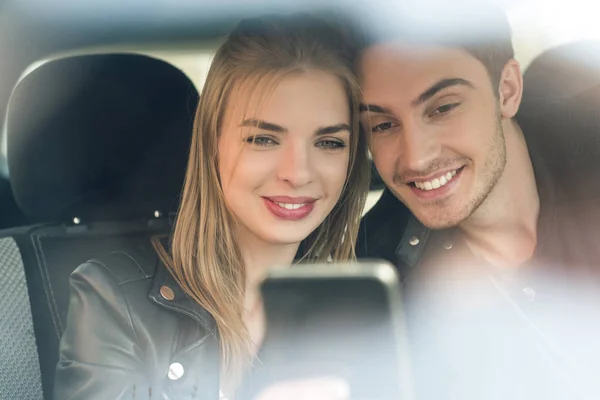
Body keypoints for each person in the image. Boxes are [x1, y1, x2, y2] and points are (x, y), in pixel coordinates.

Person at [53, 13, 370, 400]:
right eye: (263, 139)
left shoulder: (367, 310)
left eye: (329, 143)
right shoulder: (113, 299)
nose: (298, 173)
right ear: (211, 141)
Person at [355, 4, 600, 400]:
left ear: (507, 90)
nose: (416, 157)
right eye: (383, 124)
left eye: (443, 107)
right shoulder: (376, 278)